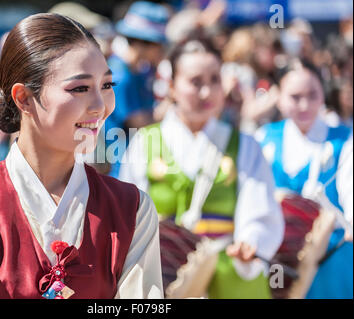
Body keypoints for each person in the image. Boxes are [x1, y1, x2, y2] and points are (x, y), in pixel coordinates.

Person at [0, 13, 163, 299]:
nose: (100, 107)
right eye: (80, 88)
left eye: (107, 86)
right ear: (24, 98)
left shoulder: (132, 209)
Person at [119, 39, 284, 299]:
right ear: (172, 86)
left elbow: (260, 210)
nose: (207, 92)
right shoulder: (144, 142)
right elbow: (127, 215)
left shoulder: (245, 145)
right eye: (196, 82)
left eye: (215, 80)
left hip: (230, 274)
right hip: (163, 275)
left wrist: (250, 241)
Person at [256, 59, 353, 299]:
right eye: (295, 96)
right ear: (278, 97)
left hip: (332, 255)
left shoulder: (344, 140)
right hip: (278, 255)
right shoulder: (264, 139)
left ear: (323, 94)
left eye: (312, 95)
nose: (304, 104)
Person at [104, 1, 169, 177]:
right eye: (160, 45)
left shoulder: (138, 72)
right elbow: (138, 122)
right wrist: (171, 102)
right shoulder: (119, 76)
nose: (163, 50)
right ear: (144, 43)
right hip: (120, 168)